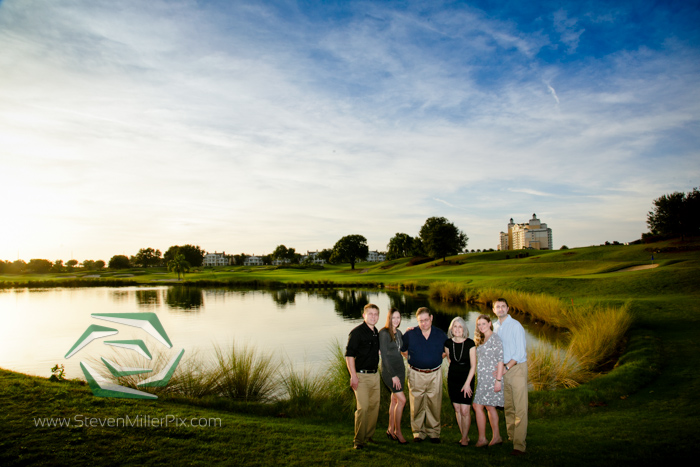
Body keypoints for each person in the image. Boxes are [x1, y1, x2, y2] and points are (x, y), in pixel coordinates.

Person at [400, 307, 448, 443]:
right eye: (421, 321)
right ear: (417, 321)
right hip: (416, 373)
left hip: (435, 373)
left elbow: (446, 352)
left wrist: (435, 359)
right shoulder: (410, 334)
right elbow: (403, 350)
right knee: (417, 403)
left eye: (426, 320)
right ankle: (418, 432)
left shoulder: (440, 334)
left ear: (431, 318)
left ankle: (434, 433)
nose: (424, 324)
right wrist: (413, 360)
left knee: (434, 402)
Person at [493, 298, 528, 456]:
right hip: (503, 369)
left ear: (508, 308)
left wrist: (507, 367)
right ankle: (512, 436)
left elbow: (520, 353)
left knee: (520, 407)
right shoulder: (495, 327)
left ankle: (519, 445)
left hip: (516, 368)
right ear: (494, 310)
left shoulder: (516, 326)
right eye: (497, 307)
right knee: (508, 407)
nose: (500, 309)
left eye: (503, 306)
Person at [345, 303, 381, 450]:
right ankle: (359, 440)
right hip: (361, 376)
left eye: (376, 314)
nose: (373, 316)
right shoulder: (357, 333)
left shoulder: (376, 332)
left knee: (374, 407)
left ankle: (368, 436)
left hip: (375, 375)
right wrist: (353, 375)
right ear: (364, 315)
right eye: (370, 314)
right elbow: (349, 355)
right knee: (363, 408)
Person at [472, 314, 504, 448]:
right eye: (479, 325)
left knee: (477, 405)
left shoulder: (495, 338)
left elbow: (501, 360)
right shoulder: (482, 339)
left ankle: (482, 439)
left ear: (490, 323)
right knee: (490, 407)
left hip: (491, 379)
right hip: (483, 378)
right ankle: (496, 437)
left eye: (483, 324)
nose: (481, 327)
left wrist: (498, 380)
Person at [445, 316, 476, 447]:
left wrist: (468, 383)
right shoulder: (448, 343)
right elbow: (449, 360)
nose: (457, 329)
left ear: (464, 329)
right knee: (457, 409)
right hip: (453, 379)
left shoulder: (470, 343)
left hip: (466, 379)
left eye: (460, 326)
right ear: (451, 329)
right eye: (455, 326)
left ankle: (464, 438)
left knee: (465, 410)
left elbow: (473, 365)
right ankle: (465, 436)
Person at [378, 308, 408, 444]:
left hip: (400, 370)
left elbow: (401, 350)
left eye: (398, 317)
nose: (396, 320)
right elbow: (384, 356)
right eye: (393, 317)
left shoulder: (399, 333)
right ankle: (398, 431)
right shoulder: (384, 333)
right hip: (390, 372)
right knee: (402, 400)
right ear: (389, 318)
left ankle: (390, 429)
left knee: (395, 401)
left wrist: (411, 331)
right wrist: (393, 375)